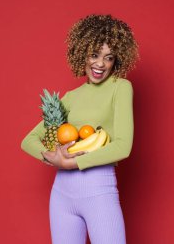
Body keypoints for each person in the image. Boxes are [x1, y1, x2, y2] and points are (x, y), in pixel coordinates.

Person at [21, 14, 139, 244]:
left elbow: (123, 146)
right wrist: (53, 157)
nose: (100, 64)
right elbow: (29, 140)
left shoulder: (120, 88)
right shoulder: (70, 98)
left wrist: (71, 162)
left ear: (117, 60)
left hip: (99, 192)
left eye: (108, 58)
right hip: (62, 195)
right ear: (82, 53)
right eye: (94, 55)